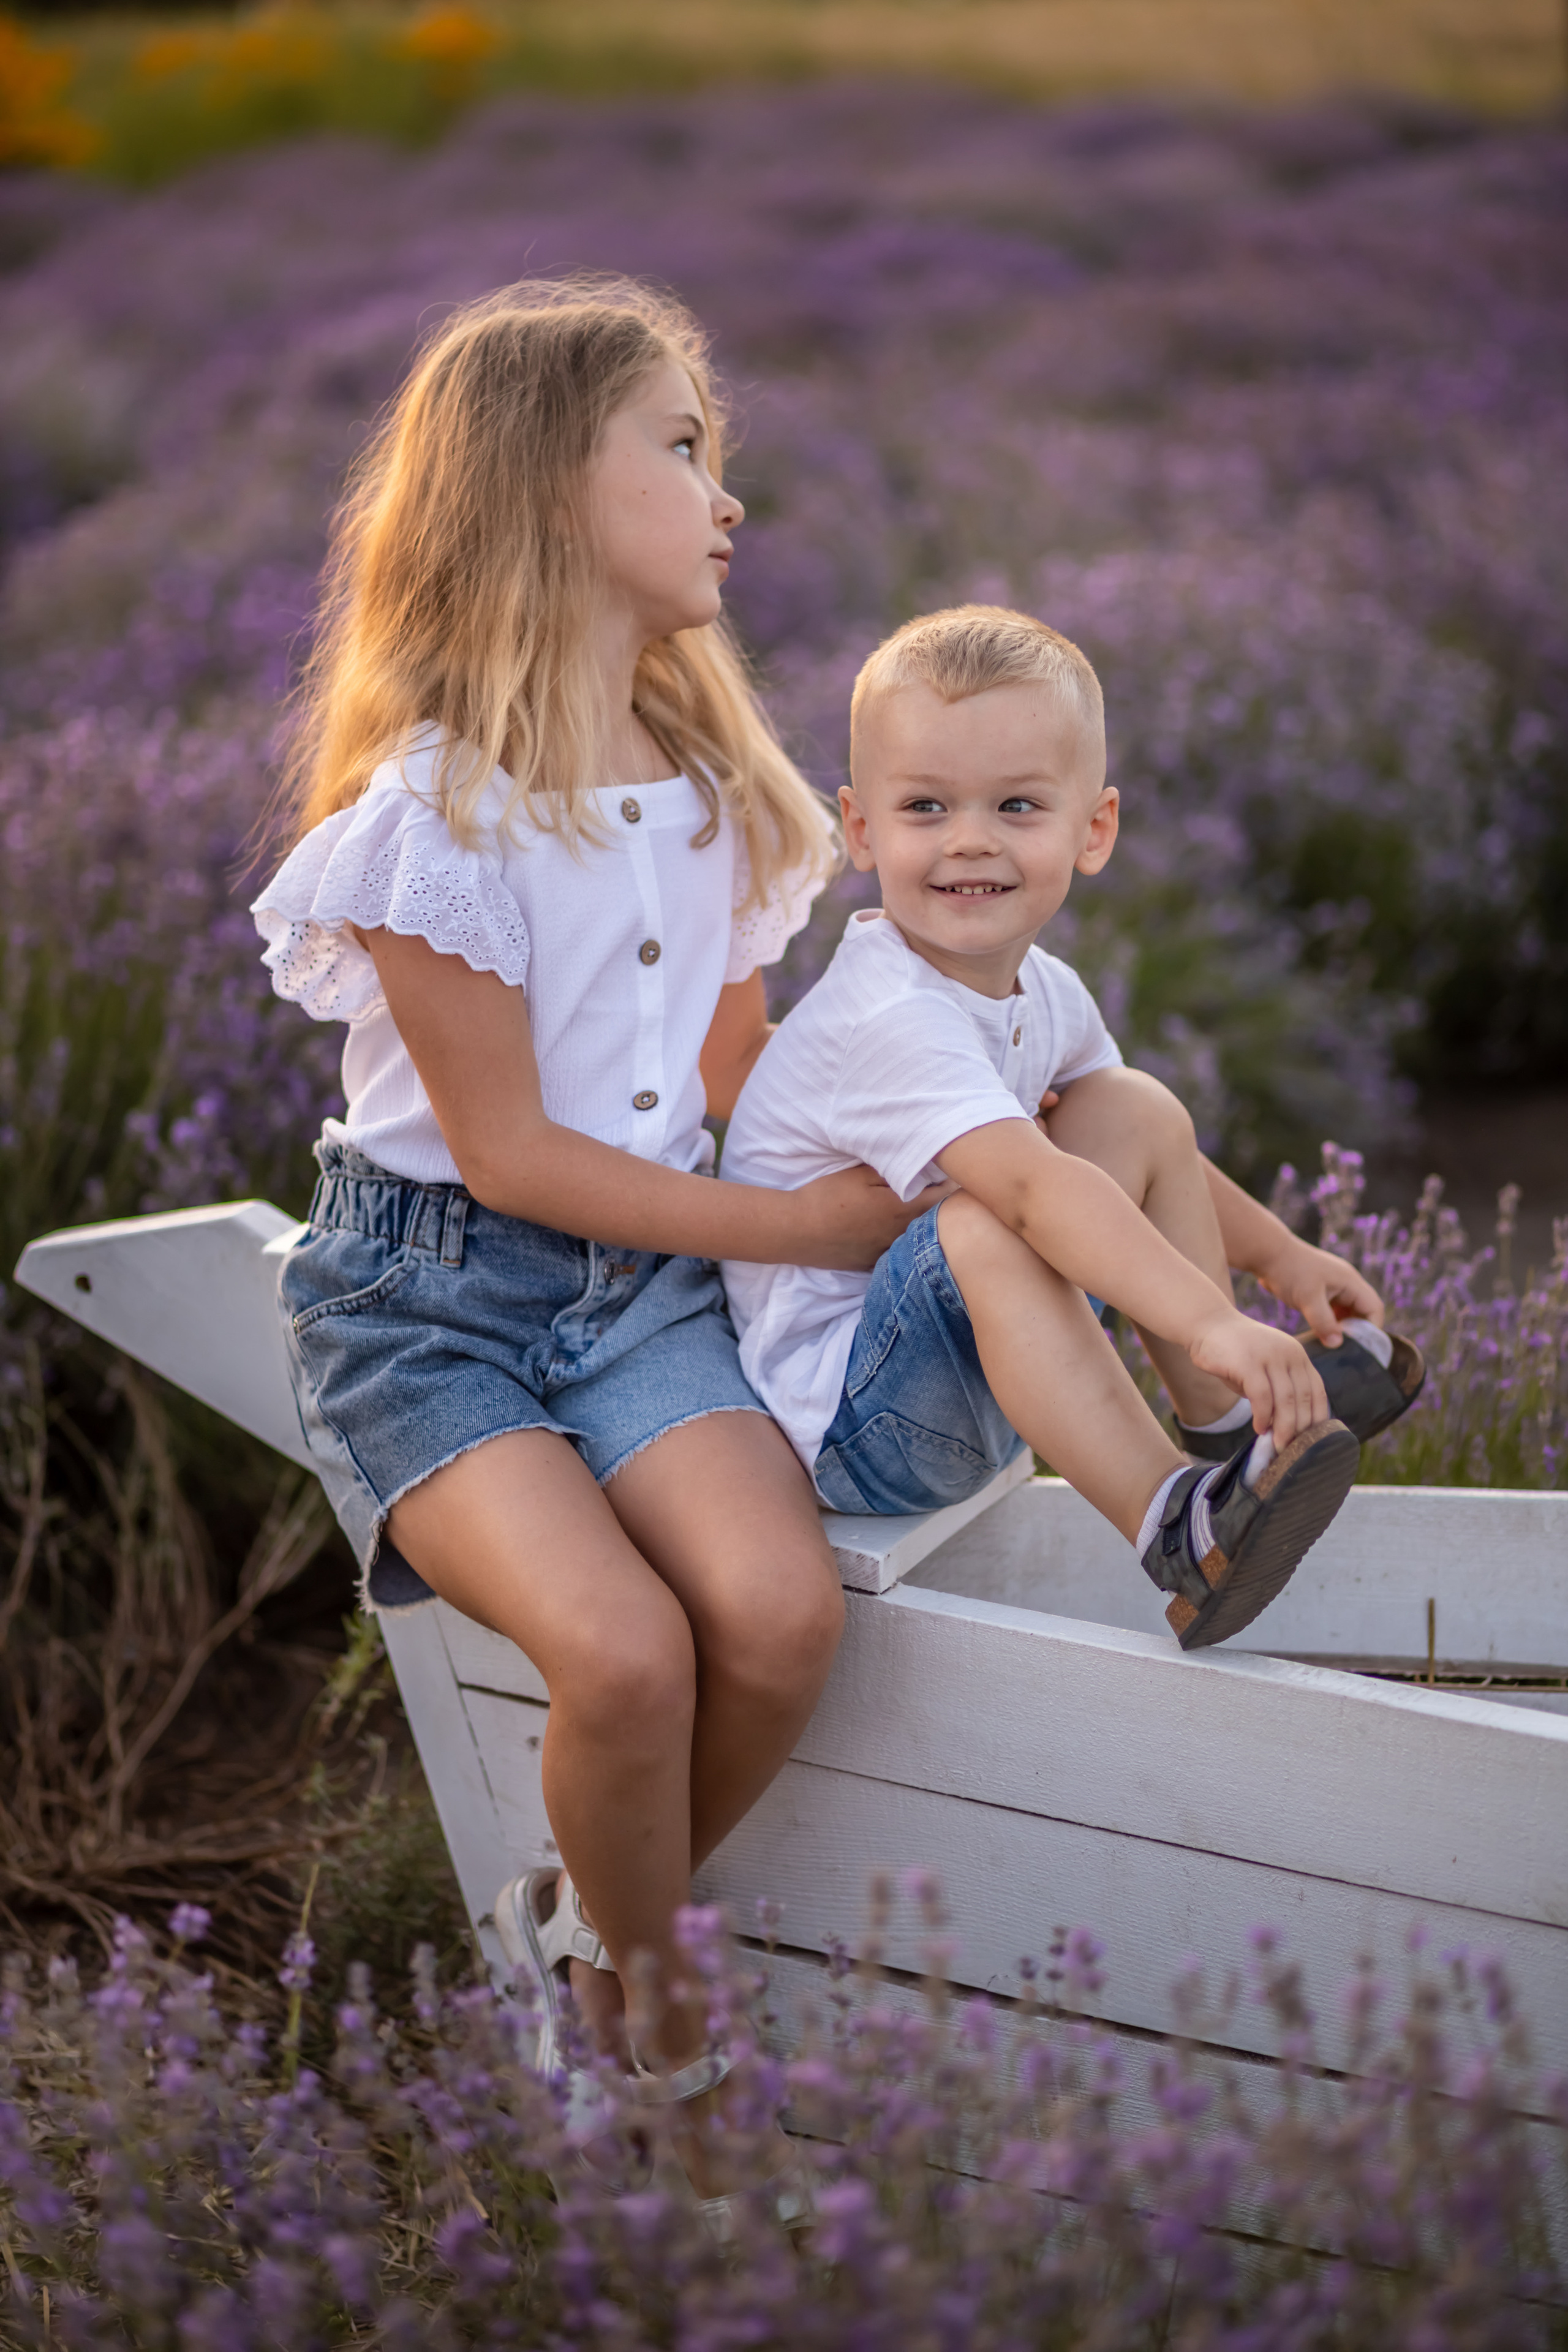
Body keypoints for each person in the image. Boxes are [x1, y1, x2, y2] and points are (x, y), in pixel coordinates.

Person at [250, 278, 943, 2215]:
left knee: (785, 1616)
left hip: (638, 1297)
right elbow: (516, 1154)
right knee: (628, 1660)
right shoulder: (431, 823)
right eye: (684, 446)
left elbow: (739, 1074)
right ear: (553, 488)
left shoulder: (712, 798)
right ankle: (660, 2034)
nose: (730, 498)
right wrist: (794, 1223)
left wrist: (938, 1137)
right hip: (430, 1310)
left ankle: (584, 1930)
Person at [720, 606, 1425, 1651]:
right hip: (858, 1424)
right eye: (925, 806)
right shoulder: (891, 1016)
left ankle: (1232, 1432)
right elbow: (1037, 1192)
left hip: (988, 1368)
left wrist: (1278, 1260)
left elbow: (1144, 1151)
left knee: (1132, 1103)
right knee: (993, 1215)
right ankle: (1176, 1524)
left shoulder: (1041, 989)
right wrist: (1209, 1320)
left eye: (1016, 805)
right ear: (860, 830)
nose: (970, 840)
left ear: (1092, 830)